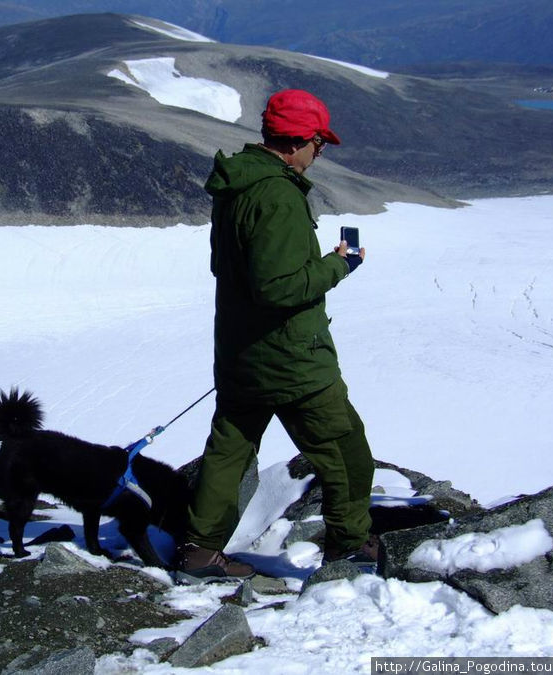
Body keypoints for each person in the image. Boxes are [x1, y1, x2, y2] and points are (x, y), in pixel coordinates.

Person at [176, 89, 376, 583]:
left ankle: (199, 552)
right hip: (292, 359)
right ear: (297, 141)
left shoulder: (237, 185)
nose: (320, 152)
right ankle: (351, 548)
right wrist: (339, 264)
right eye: (319, 142)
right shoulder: (278, 195)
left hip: (241, 352)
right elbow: (279, 287)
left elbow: (242, 273)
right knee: (345, 450)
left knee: (229, 451)